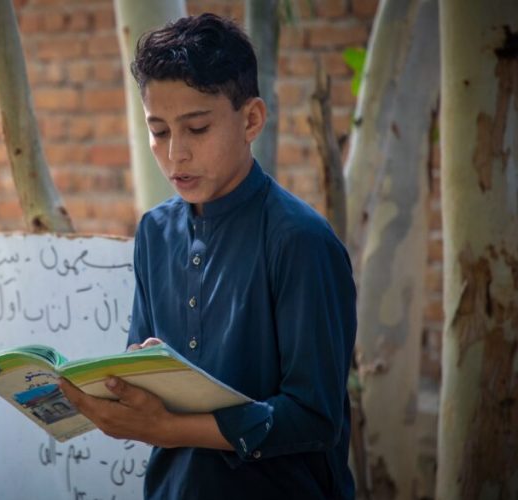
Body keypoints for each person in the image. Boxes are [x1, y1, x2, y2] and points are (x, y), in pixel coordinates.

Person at [59, 13, 356, 499]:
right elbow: (144, 368)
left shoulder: (299, 241)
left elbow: (313, 418)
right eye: (158, 131)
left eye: (196, 128)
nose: (175, 154)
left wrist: (169, 429)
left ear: (251, 119)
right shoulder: (155, 233)